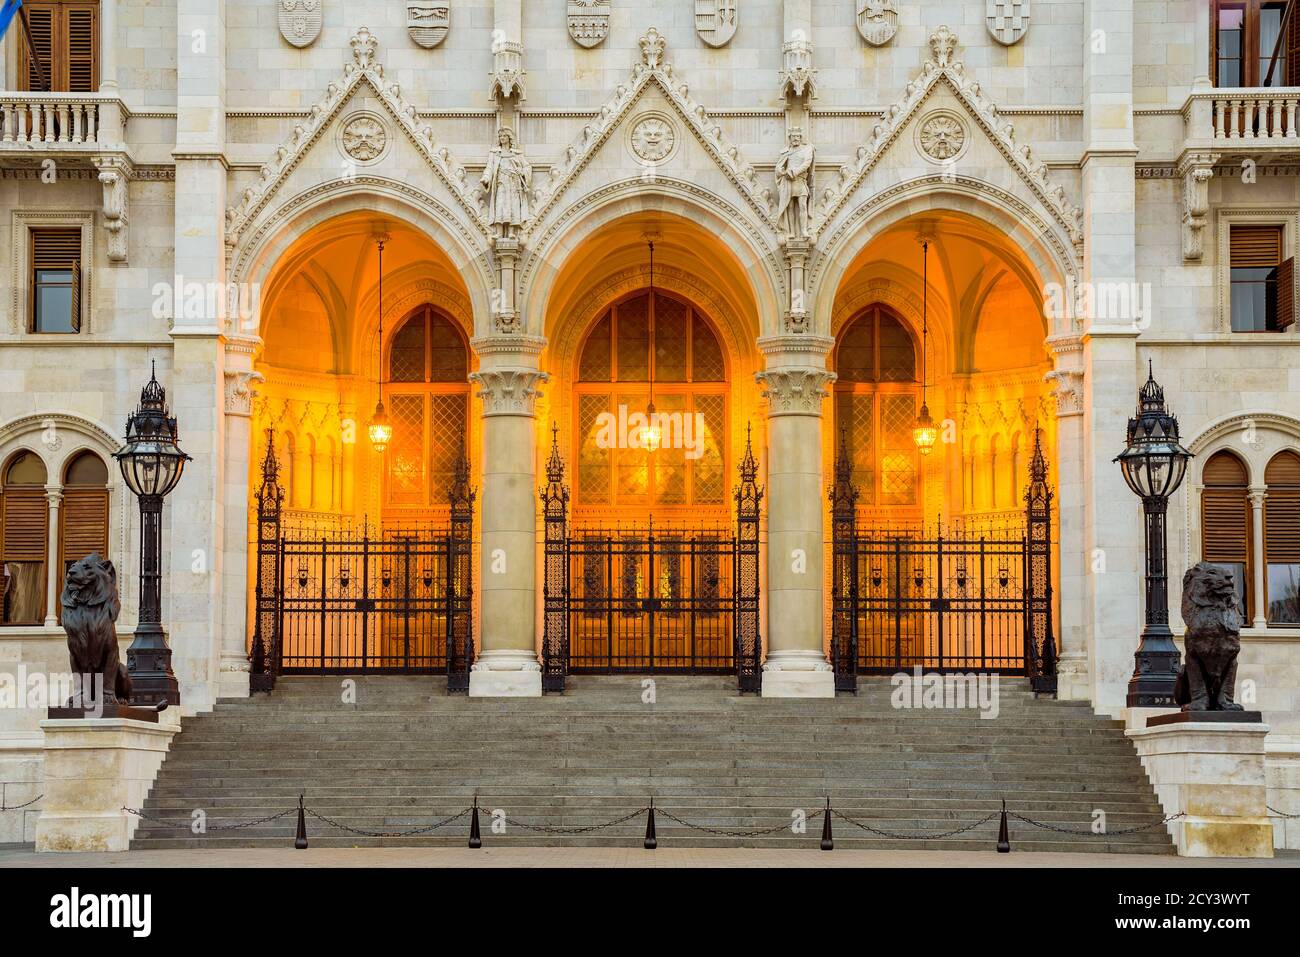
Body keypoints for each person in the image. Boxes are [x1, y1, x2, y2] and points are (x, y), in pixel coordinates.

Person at [481, 127, 532, 238]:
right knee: (500, 205)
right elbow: (489, 167)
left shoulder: (517, 154)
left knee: (512, 206)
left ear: (509, 138)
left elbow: (527, 167)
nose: (502, 138)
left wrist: (522, 171)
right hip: (501, 183)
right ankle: (498, 232)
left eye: (504, 136)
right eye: (500, 136)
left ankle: (511, 232)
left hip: (513, 184)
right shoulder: (495, 153)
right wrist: (486, 178)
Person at [775, 127, 815, 239]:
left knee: (802, 205)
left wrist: (795, 172)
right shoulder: (786, 151)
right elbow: (779, 166)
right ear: (790, 138)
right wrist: (782, 171)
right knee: (790, 206)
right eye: (793, 136)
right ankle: (791, 231)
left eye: (798, 136)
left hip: (800, 180)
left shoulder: (807, 149)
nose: (796, 138)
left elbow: (807, 163)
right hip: (789, 182)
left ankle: (803, 230)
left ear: (801, 137)